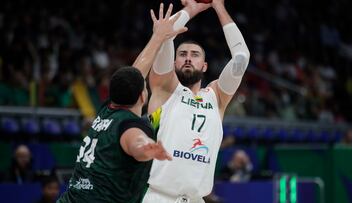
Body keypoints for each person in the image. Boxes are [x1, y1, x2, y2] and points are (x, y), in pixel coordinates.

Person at [57, 4, 187, 203]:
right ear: (143, 97)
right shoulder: (132, 125)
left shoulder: (106, 109)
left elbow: (135, 72)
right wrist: (146, 147)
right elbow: (135, 141)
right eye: (144, 87)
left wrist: (159, 36)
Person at [143, 0, 250, 202]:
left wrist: (219, 6)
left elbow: (241, 58)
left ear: (205, 65)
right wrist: (192, 9)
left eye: (195, 55)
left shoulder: (216, 97)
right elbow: (165, 34)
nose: (188, 58)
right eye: (182, 54)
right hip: (157, 196)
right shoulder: (164, 88)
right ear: (174, 63)